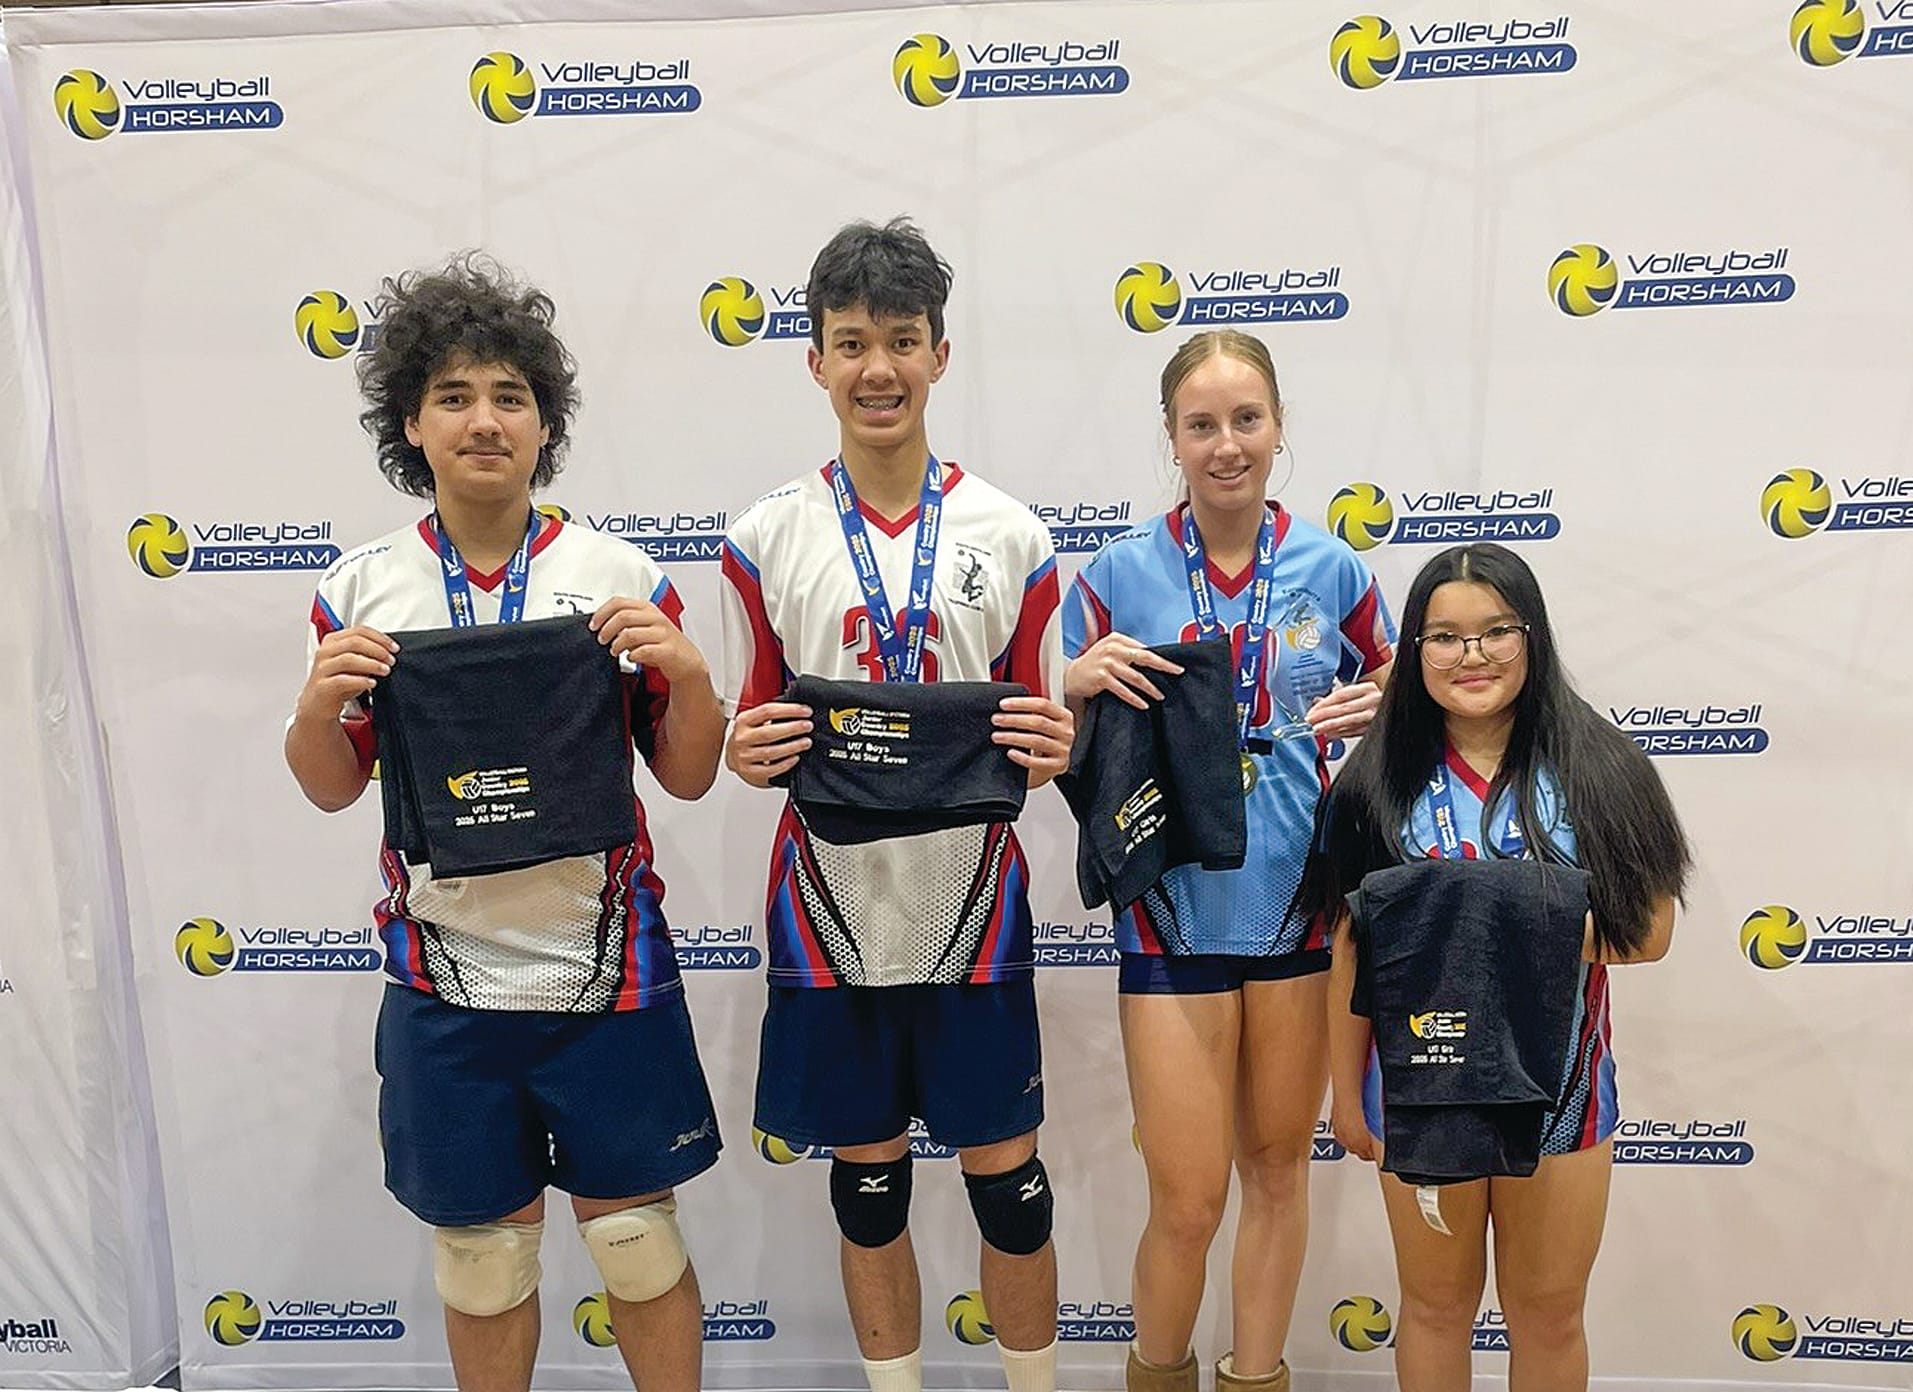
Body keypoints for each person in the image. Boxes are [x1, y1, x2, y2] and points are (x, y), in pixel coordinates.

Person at [284, 254, 726, 1392]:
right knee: (482, 1260)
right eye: (454, 397)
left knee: (636, 1243)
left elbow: (686, 778)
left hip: (606, 974)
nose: (485, 420)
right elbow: (331, 785)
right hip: (445, 984)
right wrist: (315, 706)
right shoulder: (359, 589)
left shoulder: (615, 573)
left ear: (544, 425)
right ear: (411, 425)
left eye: (510, 397)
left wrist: (688, 675)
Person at [718, 217, 1074, 1392]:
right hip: (829, 897)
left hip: (971, 898)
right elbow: (750, 728)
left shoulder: (1014, 535)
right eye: (852, 342)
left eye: (903, 341)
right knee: (867, 1186)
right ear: (814, 361)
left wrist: (1053, 740)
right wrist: (744, 747)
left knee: (1009, 1192)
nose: (880, 367)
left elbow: (1036, 732)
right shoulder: (762, 535)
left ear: (939, 356)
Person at [1061, 329, 1395, 1392]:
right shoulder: (1115, 572)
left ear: (1277, 426)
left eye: (1244, 420)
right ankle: (1156, 1372)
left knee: (1277, 1175)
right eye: (1199, 425)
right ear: (1170, 438)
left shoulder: (1330, 565)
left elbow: (1410, 684)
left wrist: (1382, 698)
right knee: (1189, 1198)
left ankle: (1257, 1377)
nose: (1224, 445)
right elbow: (1046, 725)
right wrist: (1071, 675)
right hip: (1172, 913)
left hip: (1298, 909)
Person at [1297, 542, 1690, 1392]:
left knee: (1546, 1315)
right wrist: (1342, 1091)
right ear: (1412, 652)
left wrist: (1483, 922)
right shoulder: (1370, 784)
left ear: (1531, 636)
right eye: (1442, 636)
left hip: (1562, 1089)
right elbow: (1349, 949)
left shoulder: (1602, 768)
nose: (1469, 656)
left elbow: (1649, 932)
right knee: (1433, 1309)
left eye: (1493, 632)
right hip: (1415, 1084)